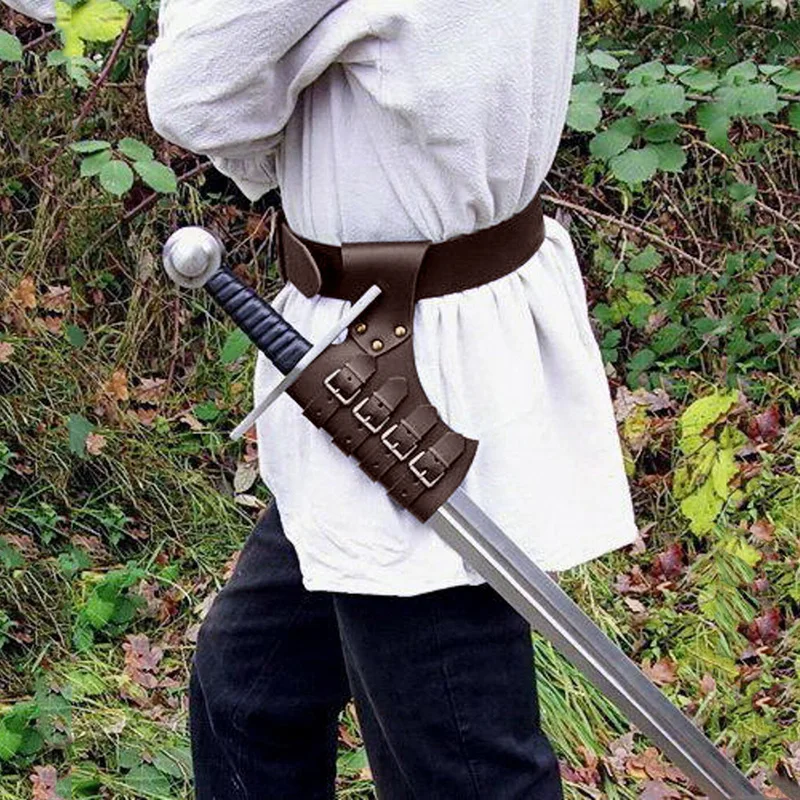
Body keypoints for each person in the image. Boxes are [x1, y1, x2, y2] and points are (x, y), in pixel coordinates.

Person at [7, 1, 641, 797]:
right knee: (253, 696)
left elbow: (194, 93)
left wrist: (272, 141)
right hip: (384, 354)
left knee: (462, 769)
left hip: (410, 371)